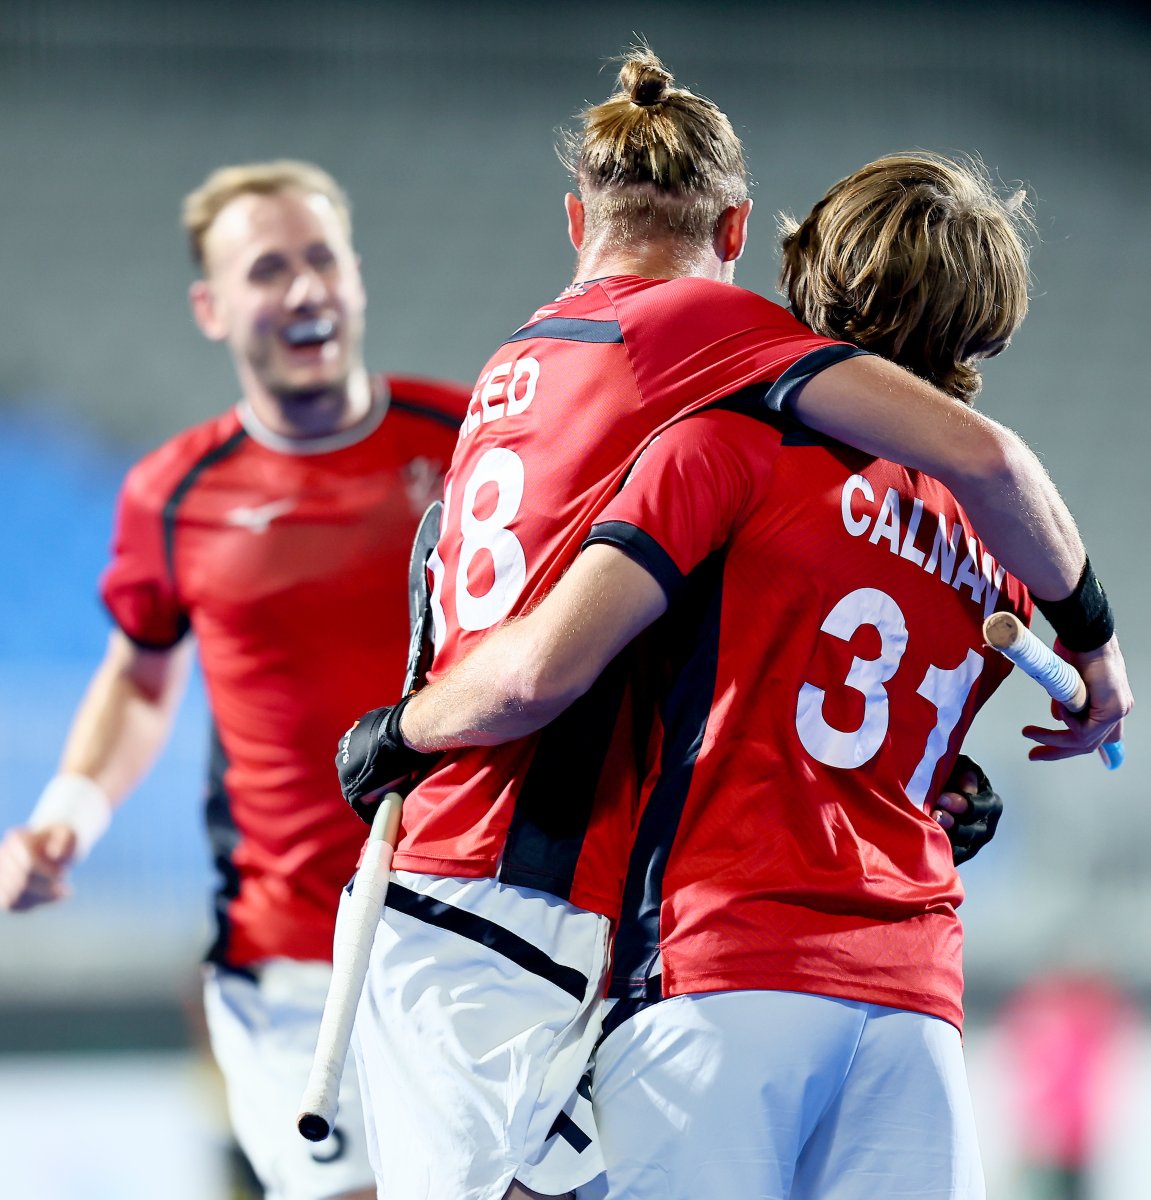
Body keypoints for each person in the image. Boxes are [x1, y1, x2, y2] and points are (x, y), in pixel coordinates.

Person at [337, 50, 1131, 1200]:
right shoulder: (1003, 552)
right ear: (989, 333)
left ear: (802, 279)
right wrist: (1007, 729)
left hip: (716, 969)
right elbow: (856, 720)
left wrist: (407, 727)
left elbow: (580, 663)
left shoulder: (721, 443)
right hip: (915, 997)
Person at [0, 160, 468, 1200]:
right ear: (211, 308)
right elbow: (137, 677)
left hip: (469, 941)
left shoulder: (474, 443)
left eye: (320, 261)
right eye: (267, 270)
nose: (302, 290)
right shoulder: (174, 492)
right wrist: (65, 816)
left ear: (356, 279)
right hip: (286, 956)